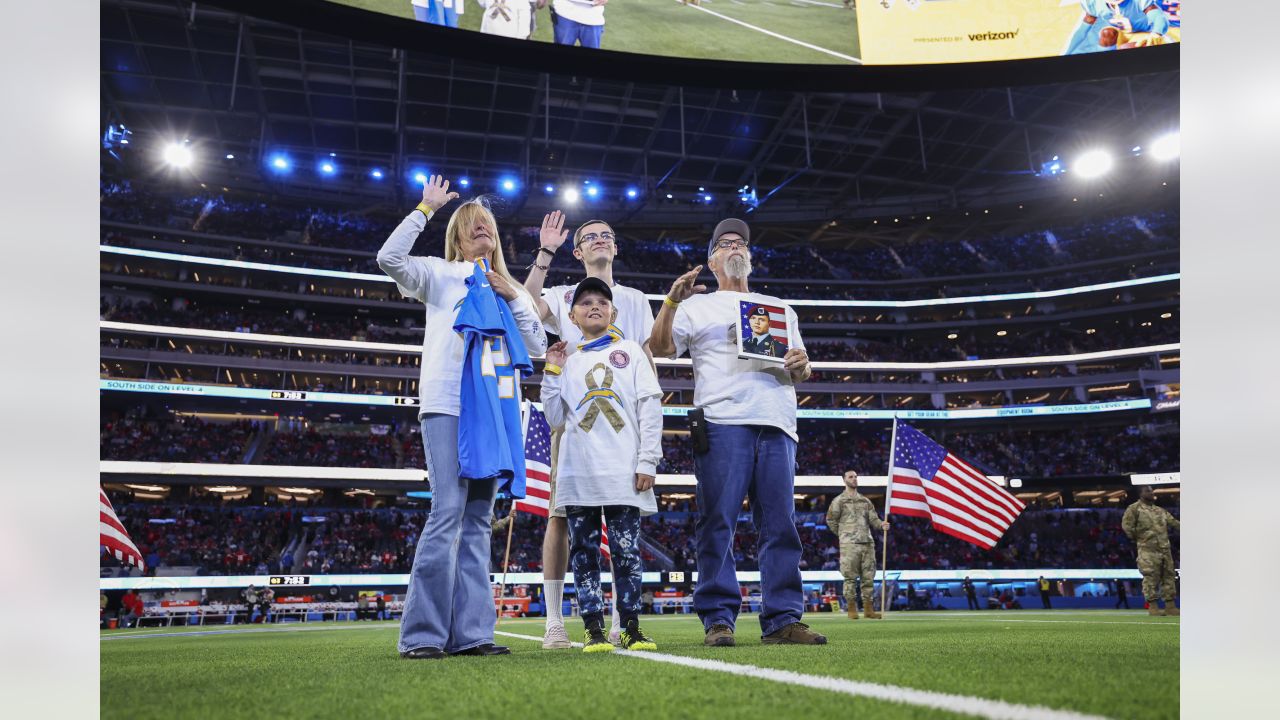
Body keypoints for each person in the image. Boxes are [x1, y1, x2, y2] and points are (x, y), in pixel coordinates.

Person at [378, 175, 547, 660]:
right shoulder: (438, 273)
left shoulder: (508, 286)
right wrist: (425, 209)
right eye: (471, 225)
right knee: (448, 511)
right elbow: (388, 259)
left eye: (487, 225)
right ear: (457, 236)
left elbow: (536, 347)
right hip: (448, 404)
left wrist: (513, 295)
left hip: (495, 411)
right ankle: (423, 636)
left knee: (477, 521)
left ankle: (472, 634)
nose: (481, 230)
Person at [649, 218, 824, 647]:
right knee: (717, 522)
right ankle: (719, 619)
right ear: (712, 260)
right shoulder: (696, 306)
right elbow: (658, 348)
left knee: (781, 524)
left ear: (750, 257)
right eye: (725, 243)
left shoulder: (780, 307)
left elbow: (802, 369)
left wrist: (802, 365)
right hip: (723, 420)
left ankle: (783, 618)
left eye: (740, 243)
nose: (734, 248)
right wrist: (672, 300)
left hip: (777, 420)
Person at [523, 212, 655, 650]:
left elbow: (647, 362)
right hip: (575, 420)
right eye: (589, 237)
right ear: (577, 252)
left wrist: (650, 444)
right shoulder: (562, 295)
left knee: (624, 529)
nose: (600, 240)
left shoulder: (635, 299)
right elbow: (525, 306)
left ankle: (622, 623)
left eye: (607, 235)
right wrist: (544, 253)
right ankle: (557, 621)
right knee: (561, 519)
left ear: (615, 247)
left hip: (624, 427)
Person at [824, 469, 889, 620]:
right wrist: (843, 534)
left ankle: (868, 609)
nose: (854, 479)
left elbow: (874, 520)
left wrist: (882, 525)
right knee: (850, 577)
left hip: (867, 543)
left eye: (856, 477)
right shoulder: (839, 501)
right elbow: (830, 520)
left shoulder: (865, 501)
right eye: (851, 477)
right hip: (849, 545)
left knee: (868, 577)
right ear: (844, 480)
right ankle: (852, 608)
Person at [1121, 485, 1180, 616]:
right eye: (1148, 490)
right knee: (1150, 578)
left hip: (1165, 549)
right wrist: (1140, 537)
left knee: (1169, 577)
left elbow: (1175, 523)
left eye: (1152, 490)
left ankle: (1170, 606)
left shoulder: (1160, 510)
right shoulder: (1134, 509)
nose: (1151, 492)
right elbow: (1127, 526)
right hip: (1148, 550)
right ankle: (1153, 607)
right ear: (1140, 494)